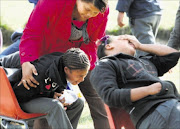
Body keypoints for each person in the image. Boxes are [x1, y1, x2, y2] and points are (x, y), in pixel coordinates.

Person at [6, 0, 110, 128]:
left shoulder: (102, 11)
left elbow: (93, 41)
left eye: (94, 12)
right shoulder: (52, 2)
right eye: (87, 10)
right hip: (48, 55)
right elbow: (32, 32)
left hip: (79, 57)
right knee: (49, 100)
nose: (89, 15)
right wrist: (26, 62)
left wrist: (85, 65)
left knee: (96, 98)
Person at [90, 35, 180, 129]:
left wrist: (140, 46)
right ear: (109, 46)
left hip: (170, 105)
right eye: (123, 38)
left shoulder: (143, 61)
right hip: (154, 110)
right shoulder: (105, 64)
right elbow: (110, 95)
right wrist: (148, 90)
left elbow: (173, 55)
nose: (129, 39)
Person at [1, 48, 90, 129]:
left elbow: (53, 85)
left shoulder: (61, 64)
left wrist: (56, 93)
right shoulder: (40, 73)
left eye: (84, 76)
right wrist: (50, 95)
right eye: (80, 76)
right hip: (18, 100)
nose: (82, 80)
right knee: (55, 106)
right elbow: (19, 93)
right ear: (66, 69)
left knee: (78, 102)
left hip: (36, 95)